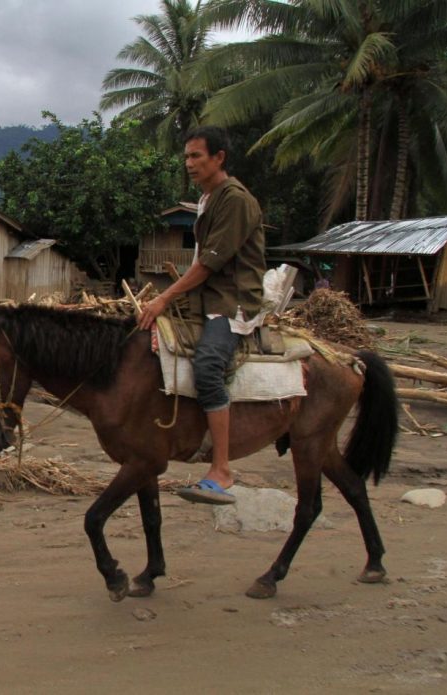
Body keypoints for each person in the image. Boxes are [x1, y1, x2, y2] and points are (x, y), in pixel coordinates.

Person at [137, 125, 266, 505]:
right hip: (206, 298)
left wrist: (163, 299)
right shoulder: (209, 198)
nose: (189, 163)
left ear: (219, 157)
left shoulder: (235, 200)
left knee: (208, 364)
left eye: (197, 156)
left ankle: (222, 469)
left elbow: (209, 264)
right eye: (187, 157)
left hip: (232, 301)